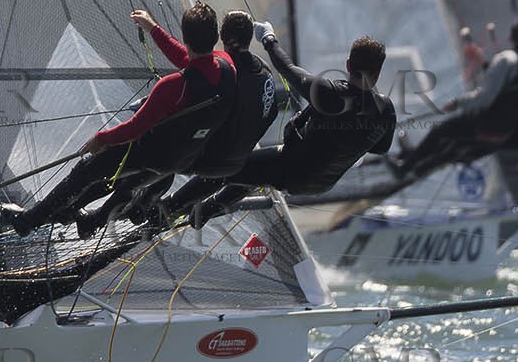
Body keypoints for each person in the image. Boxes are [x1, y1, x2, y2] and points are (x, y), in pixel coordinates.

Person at [4, 3, 235, 237]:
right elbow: (194, 63)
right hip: (182, 158)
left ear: (184, 37)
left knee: (85, 171)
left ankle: (27, 221)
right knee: (112, 178)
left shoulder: (172, 86)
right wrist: (153, 29)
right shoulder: (228, 68)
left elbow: (134, 129)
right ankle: (68, 212)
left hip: (151, 153)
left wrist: (100, 138)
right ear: (215, 37)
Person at [163, 26, 396, 228]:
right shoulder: (385, 110)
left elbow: (288, 69)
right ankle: (205, 212)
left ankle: (168, 209)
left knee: (227, 168)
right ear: (378, 72)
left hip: (292, 169)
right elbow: (380, 148)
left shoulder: (332, 95)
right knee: (254, 173)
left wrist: (268, 38)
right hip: (322, 183)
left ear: (348, 64)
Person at [80, 9, 280, 230]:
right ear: (248, 39)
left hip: (211, 159)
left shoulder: (226, 71)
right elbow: (270, 113)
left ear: (221, 37)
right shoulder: (262, 71)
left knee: (155, 160)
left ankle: (96, 220)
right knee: (167, 168)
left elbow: (193, 70)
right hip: (236, 162)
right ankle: (140, 208)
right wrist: (153, 28)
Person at [388, 19, 518, 179]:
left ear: (511, 39)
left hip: (485, 124)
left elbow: (485, 97)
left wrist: (459, 102)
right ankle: (418, 165)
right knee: (453, 145)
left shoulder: (506, 59)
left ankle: (405, 167)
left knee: (439, 132)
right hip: (505, 133)